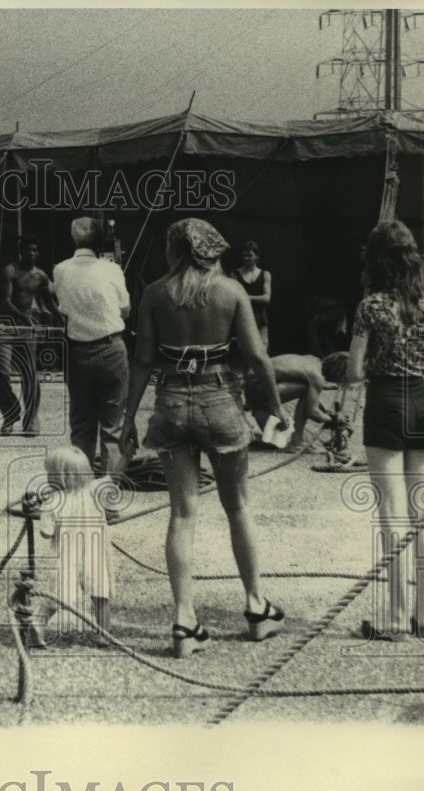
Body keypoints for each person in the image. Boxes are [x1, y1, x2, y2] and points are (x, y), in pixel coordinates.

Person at [121, 218, 286, 659]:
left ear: (175, 250)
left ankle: (183, 618)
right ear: (213, 251)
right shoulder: (231, 291)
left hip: (172, 404)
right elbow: (256, 356)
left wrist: (126, 421)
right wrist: (278, 407)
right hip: (220, 403)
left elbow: (141, 362)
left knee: (182, 514)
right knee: (238, 507)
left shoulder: (155, 293)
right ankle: (255, 608)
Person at [347, 220, 424, 642]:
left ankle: (396, 617)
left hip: (386, 404)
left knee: (392, 514)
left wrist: (374, 364)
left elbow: (353, 371)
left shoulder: (370, 307)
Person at [52, 217, 130, 482]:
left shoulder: (59, 270)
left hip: (77, 354)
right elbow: (126, 309)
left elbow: (63, 307)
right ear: (100, 241)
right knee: (112, 428)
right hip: (110, 349)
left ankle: (80, 495)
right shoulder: (112, 270)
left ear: (73, 239)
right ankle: (107, 501)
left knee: (82, 428)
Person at [27, 445, 113, 647]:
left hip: (66, 557)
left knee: (59, 596)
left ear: (59, 477)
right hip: (94, 554)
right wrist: (126, 455)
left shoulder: (53, 502)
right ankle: (104, 634)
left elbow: (46, 533)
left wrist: (39, 513)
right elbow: (113, 478)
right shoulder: (94, 491)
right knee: (101, 594)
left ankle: (38, 623)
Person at [0, 234, 61, 436]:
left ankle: (31, 418)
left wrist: (62, 319)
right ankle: (10, 414)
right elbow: (5, 301)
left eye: (34, 250)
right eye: (27, 250)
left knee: (29, 373)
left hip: (27, 328)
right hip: (6, 326)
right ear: (20, 251)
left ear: (37, 253)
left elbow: (49, 302)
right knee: (2, 371)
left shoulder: (40, 276)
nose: (30, 253)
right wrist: (23, 317)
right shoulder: (10, 270)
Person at [243, 352, 349, 450]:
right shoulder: (317, 376)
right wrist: (333, 421)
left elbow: (314, 400)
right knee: (306, 389)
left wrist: (327, 414)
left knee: (276, 442)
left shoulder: (314, 361)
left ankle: (259, 415)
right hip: (256, 389)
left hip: (253, 386)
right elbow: (313, 412)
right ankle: (296, 442)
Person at [230, 240, 272, 352]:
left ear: (257, 256)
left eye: (250, 255)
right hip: (244, 319)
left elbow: (267, 298)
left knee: (262, 353)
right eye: (245, 256)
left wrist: (245, 297)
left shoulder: (265, 274)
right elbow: (234, 298)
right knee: (246, 356)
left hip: (261, 319)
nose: (247, 258)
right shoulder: (235, 274)